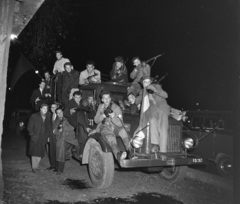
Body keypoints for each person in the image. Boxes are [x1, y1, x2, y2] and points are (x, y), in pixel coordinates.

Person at [94, 91, 132, 161]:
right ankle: (118, 154)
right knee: (111, 138)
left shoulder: (116, 107)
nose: (106, 100)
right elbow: (96, 120)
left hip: (115, 127)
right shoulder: (100, 107)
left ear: (110, 98)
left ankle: (130, 151)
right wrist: (102, 116)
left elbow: (120, 124)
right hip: (105, 127)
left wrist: (114, 117)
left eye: (108, 98)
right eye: (104, 98)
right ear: (102, 99)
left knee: (123, 131)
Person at [142, 76, 170, 156]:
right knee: (152, 120)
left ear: (150, 82)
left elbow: (165, 95)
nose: (146, 83)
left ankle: (163, 151)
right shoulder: (143, 91)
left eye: (148, 82)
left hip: (162, 108)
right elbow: (138, 99)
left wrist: (155, 90)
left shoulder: (156, 86)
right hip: (153, 110)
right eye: (144, 82)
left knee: (163, 128)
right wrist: (132, 99)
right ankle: (155, 144)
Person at [53, 108, 79, 175]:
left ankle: (59, 170)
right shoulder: (56, 121)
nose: (59, 114)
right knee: (59, 152)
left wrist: (63, 128)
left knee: (61, 152)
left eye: (60, 112)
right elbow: (54, 131)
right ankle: (58, 168)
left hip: (69, 138)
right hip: (61, 138)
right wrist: (58, 131)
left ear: (63, 112)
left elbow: (72, 128)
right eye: (58, 113)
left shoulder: (68, 118)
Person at [64, 91, 90, 157]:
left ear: (81, 97)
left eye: (79, 97)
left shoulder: (83, 102)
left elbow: (88, 109)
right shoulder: (68, 103)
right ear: (73, 97)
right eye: (76, 97)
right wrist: (70, 111)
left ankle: (82, 151)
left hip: (82, 120)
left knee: (81, 125)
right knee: (79, 113)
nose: (77, 99)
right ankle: (85, 127)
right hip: (73, 120)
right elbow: (65, 113)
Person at [27, 104, 51, 173]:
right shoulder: (34, 116)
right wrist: (33, 135)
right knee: (34, 153)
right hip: (35, 137)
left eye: (46, 109)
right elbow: (29, 127)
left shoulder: (48, 117)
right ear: (40, 109)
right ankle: (35, 168)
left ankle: (36, 166)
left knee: (40, 153)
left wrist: (47, 135)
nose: (45, 110)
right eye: (43, 108)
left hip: (43, 138)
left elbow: (48, 127)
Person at [46, 103, 58, 171]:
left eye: (55, 107)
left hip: (58, 137)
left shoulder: (60, 116)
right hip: (51, 137)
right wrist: (48, 136)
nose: (53, 109)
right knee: (51, 151)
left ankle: (57, 167)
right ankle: (52, 165)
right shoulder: (50, 116)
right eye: (52, 107)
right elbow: (48, 127)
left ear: (57, 107)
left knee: (57, 152)